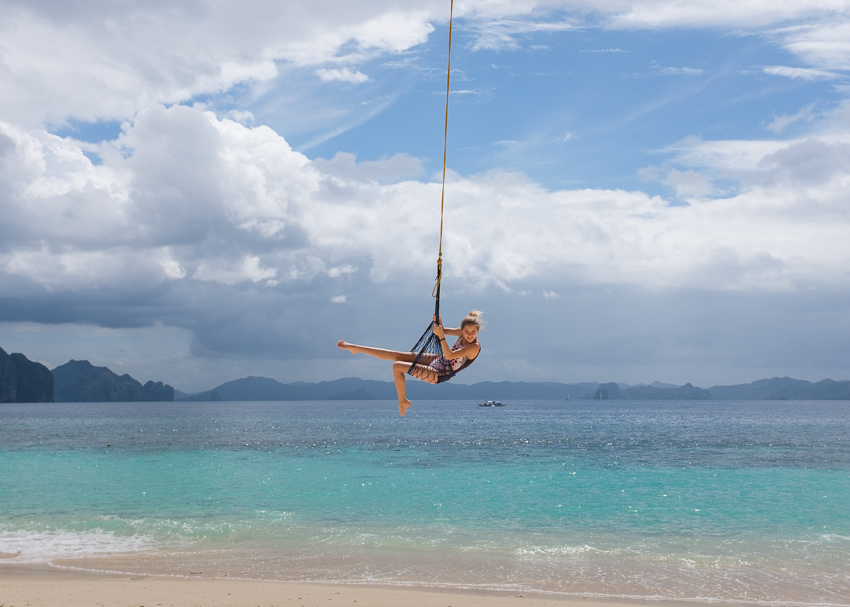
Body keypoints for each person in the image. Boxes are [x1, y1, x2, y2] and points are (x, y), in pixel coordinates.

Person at [337, 310, 483, 417]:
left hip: (440, 373)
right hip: (438, 360)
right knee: (397, 355)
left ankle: (403, 401)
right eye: (467, 332)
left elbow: (450, 354)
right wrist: (439, 323)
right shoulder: (461, 333)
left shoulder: (474, 347)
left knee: (397, 366)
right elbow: (442, 331)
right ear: (462, 330)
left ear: (478, 331)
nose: (469, 335)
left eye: (473, 332)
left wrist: (442, 337)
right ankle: (356, 348)